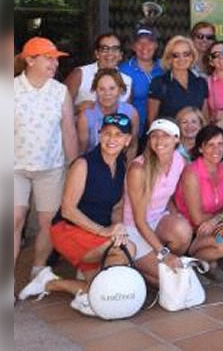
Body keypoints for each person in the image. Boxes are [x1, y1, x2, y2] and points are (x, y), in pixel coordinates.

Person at [17, 114, 136, 315]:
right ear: (99, 135)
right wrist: (105, 231)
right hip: (68, 230)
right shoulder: (84, 164)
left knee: (102, 291)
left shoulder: (122, 165)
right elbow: (68, 209)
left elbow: (116, 207)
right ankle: (86, 292)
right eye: (107, 133)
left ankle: (49, 283)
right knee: (127, 248)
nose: (112, 139)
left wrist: (118, 226)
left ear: (127, 140)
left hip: (96, 236)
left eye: (118, 135)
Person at [14, 37, 79, 276]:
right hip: (13, 167)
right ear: (30, 60)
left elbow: (69, 132)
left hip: (51, 167)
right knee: (14, 220)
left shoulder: (60, 91)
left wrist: (74, 167)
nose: (54, 64)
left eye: (56, 60)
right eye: (48, 58)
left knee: (48, 223)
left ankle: (38, 270)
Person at [174, 125, 223, 281]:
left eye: (220, 144)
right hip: (194, 231)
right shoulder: (192, 172)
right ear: (201, 148)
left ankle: (207, 261)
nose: (216, 149)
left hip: (214, 224)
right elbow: (197, 218)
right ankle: (195, 259)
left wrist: (216, 220)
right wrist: (219, 220)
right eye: (210, 144)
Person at [124, 119, 193, 285]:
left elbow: (167, 195)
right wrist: (164, 254)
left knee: (182, 229)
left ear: (177, 139)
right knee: (172, 281)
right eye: (154, 135)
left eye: (166, 136)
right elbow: (139, 221)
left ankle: (155, 261)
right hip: (135, 228)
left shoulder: (179, 160)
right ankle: (140, 266)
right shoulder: (138, 169)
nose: (159, 141)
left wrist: (176, 216)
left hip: (159, 220)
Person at [147, 35, 209, 125]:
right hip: (169, 137)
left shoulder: (201, 83)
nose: (181, 59)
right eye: (176, 55)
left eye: (186, 54)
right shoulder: (159, 83)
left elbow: (204, 117)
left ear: (192, 57)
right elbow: (152, 121)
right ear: (169, 59)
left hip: (195, 137)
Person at [76, 68, 139, 157]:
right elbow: (82, 150)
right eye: (102, 89)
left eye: (112, 88)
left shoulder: (131, 112)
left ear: (120, 90)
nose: (107, 93)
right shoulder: (85, 116)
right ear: (95, 91)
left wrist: (128, 169)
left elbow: (132, 146)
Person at [65, 33, 133, 110]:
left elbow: (128, 114)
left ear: (121, 55)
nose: (110, 53)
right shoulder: (80, 74)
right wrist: (78, 108)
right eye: (104, 49)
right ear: (97, 54)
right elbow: (58, 106)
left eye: (115, 49)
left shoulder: (127, 80)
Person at [119, 26, 164, 139]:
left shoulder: (164, 67)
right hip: (135, 130)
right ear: (133, 46)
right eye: (140, 42)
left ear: (156, 45)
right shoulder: (124, 70)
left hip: (162, 129)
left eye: (149, 42)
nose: (145, 47)